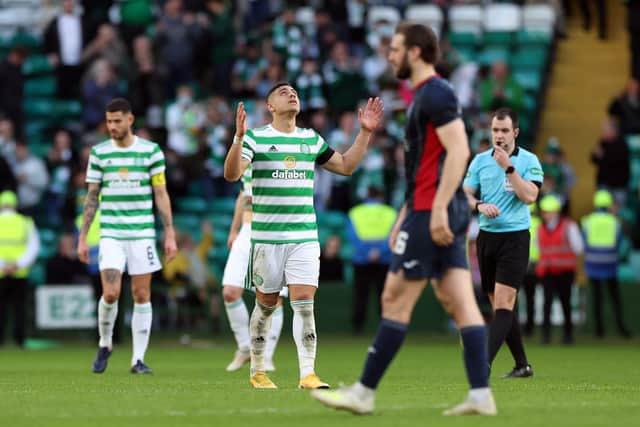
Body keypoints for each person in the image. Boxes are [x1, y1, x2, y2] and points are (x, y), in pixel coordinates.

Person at [311, 23, 496, 416]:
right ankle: (481, 395)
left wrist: (438, 208)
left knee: (394, 299)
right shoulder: (426, 96)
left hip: (435, 210)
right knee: (461, 303)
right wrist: (405, 213)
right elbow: (427, 165)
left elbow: (459, 151)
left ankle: (363, 392)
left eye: (395, 48)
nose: (389, 55)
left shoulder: (435, 93)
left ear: (415, 52)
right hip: (428, 208)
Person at [223, 83, 384, 389]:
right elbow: (232, 174)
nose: (291, 93)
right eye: (283, 92)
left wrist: (364, 132)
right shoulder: (256, 138)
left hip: (304, 237)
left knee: (304, 301)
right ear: (270, 106)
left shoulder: (310, 139)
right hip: (266, 238)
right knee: (266, 304)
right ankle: (258, 370)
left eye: (294, 91)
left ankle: (307, 373)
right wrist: (238, 138)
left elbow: (347, 166)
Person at [77, 98, 177, 374]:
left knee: (141, 293)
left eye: (117, 121)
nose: (112, 126)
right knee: (111, 293)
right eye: (109, 121)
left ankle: (138, 359)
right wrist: (83, 237)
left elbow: (160, 193)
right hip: (111, 234)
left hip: (143, 234)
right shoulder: (99, 154)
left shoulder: (151, 152)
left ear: (130, 120)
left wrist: (169, 233)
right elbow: (92, 196)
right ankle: (105, 342)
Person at [463, 107, 543, 378]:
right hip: (487, 239)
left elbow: (530, 196)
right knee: (501, 306)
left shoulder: (529, 161)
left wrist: (508, 168)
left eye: (504, 130)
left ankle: (482, 363)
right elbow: (465, 194)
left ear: (515, 132)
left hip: (515, 238)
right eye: (495, 130)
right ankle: (522, 365)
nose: (498, 135)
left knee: (504, 302)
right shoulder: (479, 161)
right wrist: (478, 205)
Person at [222, 166, 287, 373]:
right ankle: (244, 347)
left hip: (271, 232)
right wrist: (234, 230)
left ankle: (266, 356)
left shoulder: (281, 159)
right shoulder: (249, 157)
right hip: (247, 231)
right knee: (230, 293)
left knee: (273, 299)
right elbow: (243, 194)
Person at [580, 190, 631, 338]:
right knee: (615, 298)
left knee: (597, 298)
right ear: (608, 204)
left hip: (593, 264)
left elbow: (583, 242)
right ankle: (621, 328)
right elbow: (620, 243)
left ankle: (599, 330)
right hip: (610, 264)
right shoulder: (615, 222)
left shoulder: (587, 221)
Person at [346, 187, 396, 335]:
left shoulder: (355, 213)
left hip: (361, 260)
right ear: (381, 196)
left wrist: (367, 252)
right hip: (384, 260)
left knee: (360, 295)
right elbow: (393, 236)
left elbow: (352, 237)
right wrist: (379, 252)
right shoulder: (391, 212)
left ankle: (358, 328)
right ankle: (385, 327)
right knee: (384, 295)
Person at [536, 195, 583, 344]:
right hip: (547, 271)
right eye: (544, 211)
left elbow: (578, 247)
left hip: (564, 271)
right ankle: (546, 336)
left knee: (566, 303)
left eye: (548, 211)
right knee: (546, 303)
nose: (545, 214)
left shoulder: (569, 226)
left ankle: (568, 336)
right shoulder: (540, 228)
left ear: (556, 212)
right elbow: (539, 248)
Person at [0, 191, 40, 348]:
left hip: (1, 272)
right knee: (20, 308)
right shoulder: (25, 222)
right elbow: (33, 246)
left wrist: (3, 265)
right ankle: (20, 339)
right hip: (20, 271)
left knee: (1, 307)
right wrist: (18, 264)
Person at [523, 203, 542, 336]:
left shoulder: (517, 221)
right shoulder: (540, 224)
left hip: (518, 263)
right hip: (535, 264)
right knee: (531, 297)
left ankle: (512, 329)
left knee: (509, 298)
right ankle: (530, 327)